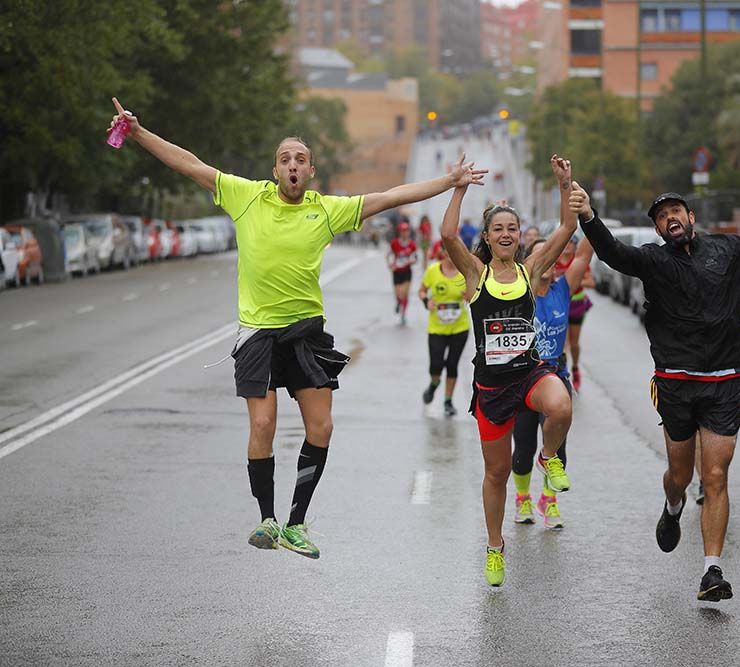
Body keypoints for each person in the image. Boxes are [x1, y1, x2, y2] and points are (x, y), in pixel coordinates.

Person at [106, 97, 486, 559]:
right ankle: (266, 518)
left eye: (300, 160)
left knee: (321, 427)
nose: (292, 165)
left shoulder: (326, 211)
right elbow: (190, 164)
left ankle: (296, 522)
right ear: (274, 170)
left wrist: (449, 181)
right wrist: (139, 133)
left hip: (305, 333)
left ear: (310, 173)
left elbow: (390, 197)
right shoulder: (246, 197)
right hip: (258, 334)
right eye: (284, 158)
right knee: (263, 423)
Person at [571, 186, 740, 601]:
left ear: (691, 216)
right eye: (661, 216)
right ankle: (672, 505)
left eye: (676, 211)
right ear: (658, 229)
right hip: (676, 382)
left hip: (724, 381)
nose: (670, 218)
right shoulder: (653, 261)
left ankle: (712, 570)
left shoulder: (730, 249)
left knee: (714, 475)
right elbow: (612, 253)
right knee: (680, 475)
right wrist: (588, 214)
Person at [440, 154, 578, 587]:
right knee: (496, 474)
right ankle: (496, 547)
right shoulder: (475, 272)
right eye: (497, 228)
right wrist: (460, 187)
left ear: (520, 238)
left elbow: (567, 229)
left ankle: (548, 456)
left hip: (529, 373)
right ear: (487, 236)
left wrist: (564, 184)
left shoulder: (531, 269)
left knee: (561, 406)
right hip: (492, 387)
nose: (505, 234)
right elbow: (447, 234)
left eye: (512, 228)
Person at [511, 235, 594, 529]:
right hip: (523, 377)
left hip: (555, 376)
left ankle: (549, 499)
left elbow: (585, 254)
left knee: (558, 450)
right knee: (522, 447)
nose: (547, 258)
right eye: (540, 253)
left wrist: (586, 211)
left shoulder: (563, 287)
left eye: (552, 252)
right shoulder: (521, 290)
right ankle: (523, 497)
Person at [694, 278, 740, 505]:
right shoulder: (677, 261)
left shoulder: (728, 263)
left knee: (716, 424)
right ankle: (705, 479)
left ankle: (713, 476)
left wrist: (731, 318)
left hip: (726, 355)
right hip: (687, 355)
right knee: (695, 425)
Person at [418, 240, 469, 417]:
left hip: (459, 327)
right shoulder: (433, 270)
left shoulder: (464, 273)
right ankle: (433, 385)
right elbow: (422, 291)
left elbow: (474, 293)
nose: (451, 254)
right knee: (436, 364)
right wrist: (427, 301)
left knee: (452, 364)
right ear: (442, 251)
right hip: (437, 327)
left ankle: (448, 401)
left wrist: (469, 295)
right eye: (447, 250)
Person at [556, 237, 596, 391]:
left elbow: (591, 282)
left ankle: (575, 368)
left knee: (574, 343)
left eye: (571, 245)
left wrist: (574, 281)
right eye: (565, 244)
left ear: (575, 247)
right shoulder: (556, 260)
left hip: (577, 305)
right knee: (563, 342)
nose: (567, 247)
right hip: (560, 305)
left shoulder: (577, 262)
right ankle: (562, 373)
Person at [387, 222, 419, 325]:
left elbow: (416, 257)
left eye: (406, 231)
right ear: (400, 232)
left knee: (405, 294)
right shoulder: (394, 243)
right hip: (397, 272)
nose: (405, 233)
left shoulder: (412, 244)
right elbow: (388, 255)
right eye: (403, 231)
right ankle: (398, 303)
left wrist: (412, 261)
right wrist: (390, 265)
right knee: (398, 294)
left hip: (407, 271)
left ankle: (403, 314)